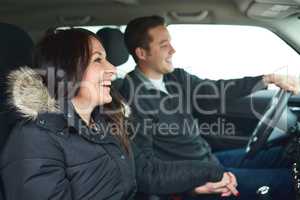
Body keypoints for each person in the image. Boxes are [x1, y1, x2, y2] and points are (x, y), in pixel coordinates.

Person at [0, 28, 232, 200]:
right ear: (66, 70)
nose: (112, 69)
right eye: (98, 60)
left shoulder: (106, 120)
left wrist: (204, 177)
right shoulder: (33, 139)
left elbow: (144, 174)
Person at [120, 15, 300, 200]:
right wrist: (190, 185)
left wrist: (267, 79)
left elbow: (216, 91)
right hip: (195, 180)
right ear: (142, 53)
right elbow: (147, 168)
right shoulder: (132, 100)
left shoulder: (175, 77)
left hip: (208, 161)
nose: (173, 50)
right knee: (291, 183)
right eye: (164, 45)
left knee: (282, 156)